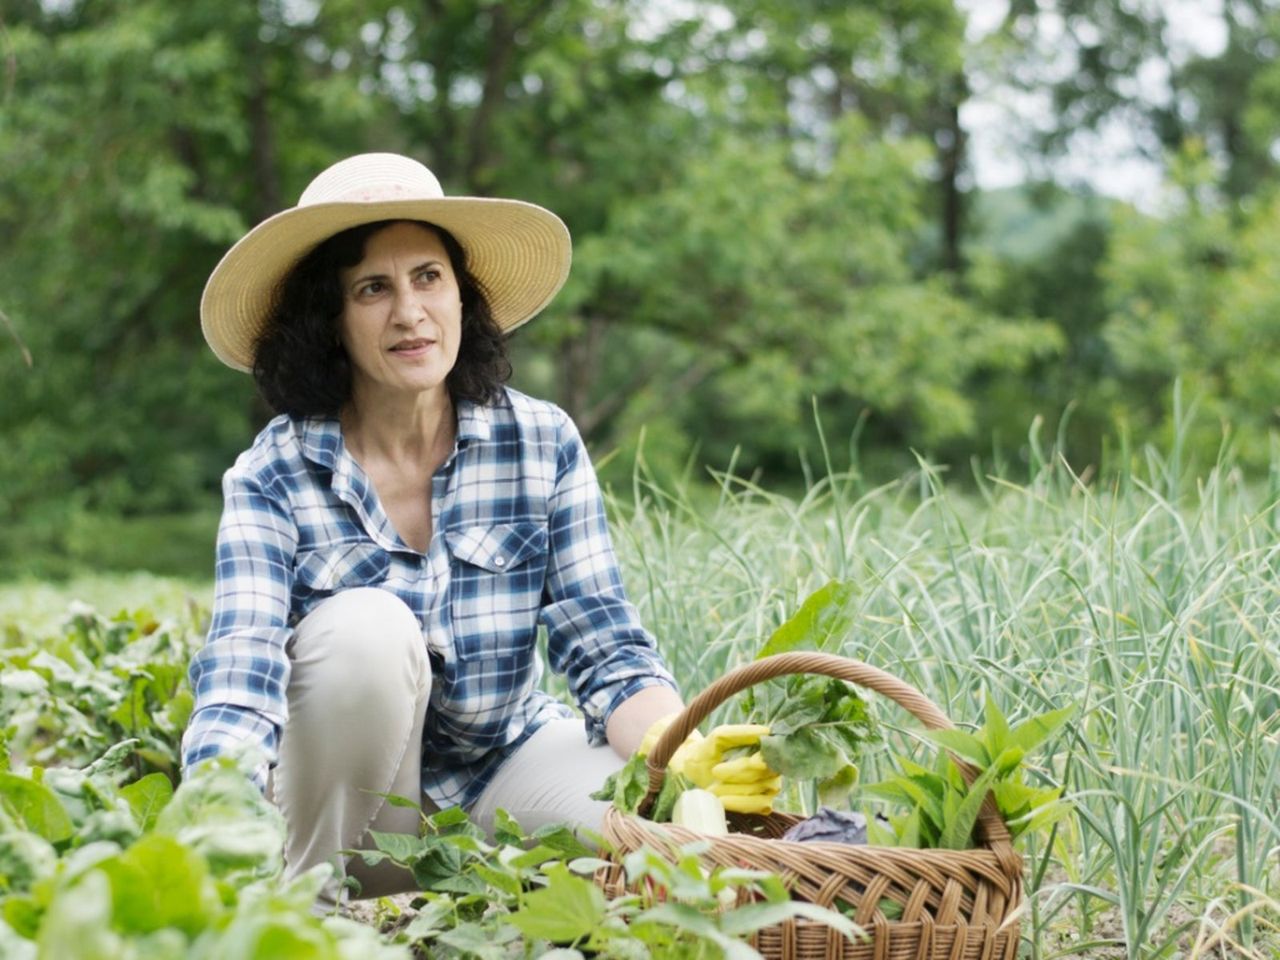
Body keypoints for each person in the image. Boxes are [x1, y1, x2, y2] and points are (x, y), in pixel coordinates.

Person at [183, 152, 685, 904]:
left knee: (654, 845)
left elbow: (605, 644)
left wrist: (684, 755)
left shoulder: (539, 442)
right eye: (372, 289)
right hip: (357, 808)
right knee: (367, 628)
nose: (409, 312)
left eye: (428, 277)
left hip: (505, 762)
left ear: (461, 297)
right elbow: (241, 669)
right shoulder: (273, 473)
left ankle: (487, 894)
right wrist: (213, 805)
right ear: (332, 321)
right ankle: (313, 919)